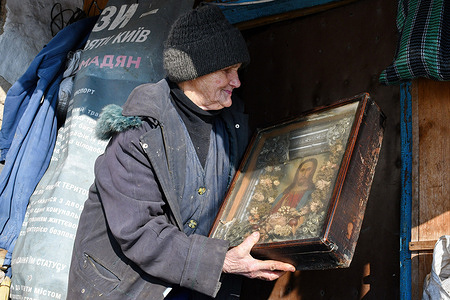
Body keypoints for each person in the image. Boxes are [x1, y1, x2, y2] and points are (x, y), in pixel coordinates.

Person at [67, 5, 295, 300]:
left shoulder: (233, 125)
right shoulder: (138, 134)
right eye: (227, 71)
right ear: (193, 71)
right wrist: (222, 261)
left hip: (191, 287)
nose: (236, 82)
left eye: (237, 72)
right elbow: (138, 231)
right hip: (127, 288)